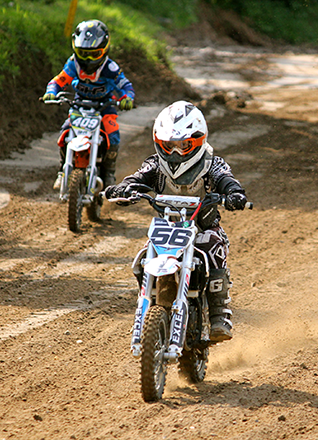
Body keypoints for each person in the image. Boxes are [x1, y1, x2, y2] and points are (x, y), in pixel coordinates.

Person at [104, 101, 248, 342]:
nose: (175, 152)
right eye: (169, 145)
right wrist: (123, 189)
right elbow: (138, 177)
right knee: (142, 259)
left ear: (198, 141)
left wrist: (234, 194)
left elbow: (226, 179)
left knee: (214, 245)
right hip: (169, 229)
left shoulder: (212, 162)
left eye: (183, 145)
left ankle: (218, 314)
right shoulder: (155, 164)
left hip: (202, 227)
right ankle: (147, 309)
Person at [42, 19, 135, 188]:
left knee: (113, 136)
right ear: (75, 49)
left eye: (94, 54)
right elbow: (59, 80)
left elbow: (124, 85)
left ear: (105, 49)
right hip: (80, 105)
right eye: (84, 53)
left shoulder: (110, 68)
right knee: (64, 133)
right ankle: (62, 171)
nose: (88, 59)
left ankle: (109, 174)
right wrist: (51, 92)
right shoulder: (73, 64)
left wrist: (127, 98)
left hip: (104, 107)